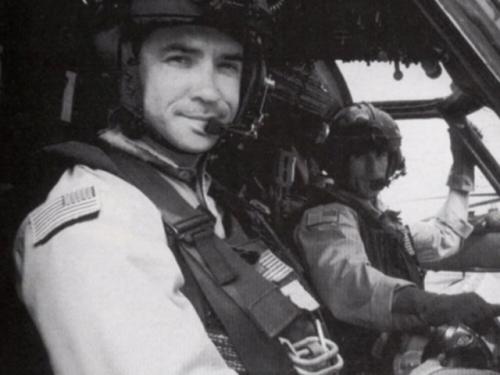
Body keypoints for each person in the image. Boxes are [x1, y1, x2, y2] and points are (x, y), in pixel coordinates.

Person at [11, 1, 343, 374]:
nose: (210, 92)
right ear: (130, 73)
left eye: (227, 66)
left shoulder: (209, 200)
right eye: (179, 59)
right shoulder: (98, 224)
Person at [294, 102, 500, 374]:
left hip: (402, 346)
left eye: (381, 155)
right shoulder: (329, 216)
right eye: (359, 156)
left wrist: (463, 164)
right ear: (340, 160)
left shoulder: (380, 221)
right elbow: (350, 284)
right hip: (367, 363)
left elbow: (443, 236)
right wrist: (435, 304)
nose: (374, 168)